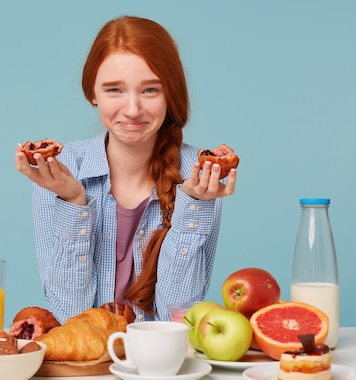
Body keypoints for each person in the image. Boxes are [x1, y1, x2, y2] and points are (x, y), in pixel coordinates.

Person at [15, 15, 237, 324]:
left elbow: (177, 317)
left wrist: (193, 205)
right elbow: (71, 318)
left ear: (170, 93)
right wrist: (73, 201)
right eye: (114, 90)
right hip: (89, 369)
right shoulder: (58, 173)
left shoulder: (198, 176)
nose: (132, 110)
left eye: (150, 90)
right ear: (92, 92)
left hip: (160, 370)